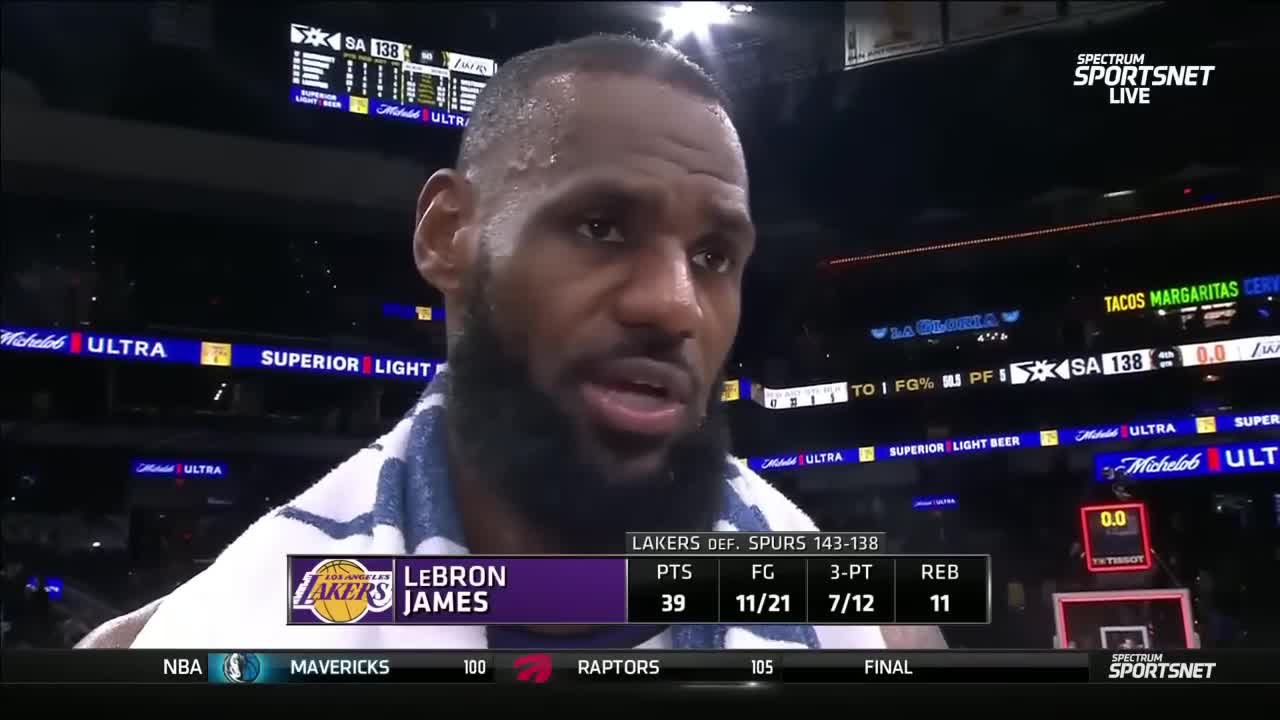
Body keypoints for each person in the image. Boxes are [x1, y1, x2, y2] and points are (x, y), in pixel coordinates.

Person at [78, 34, 944, 650]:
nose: (675, 306)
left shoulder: (870, 632)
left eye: (714, 255)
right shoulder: (197, 641)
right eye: (602, 226)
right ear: (448, 233)